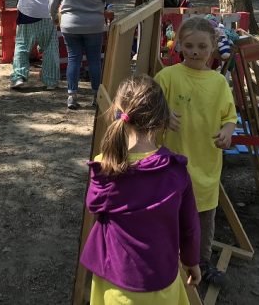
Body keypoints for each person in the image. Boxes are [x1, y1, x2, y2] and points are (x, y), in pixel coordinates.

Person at [80, 75, 201, 304]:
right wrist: (191, 261)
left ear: (119, 114)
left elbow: (93, 207)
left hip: (116, 282)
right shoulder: (176, 171)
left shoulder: (105, 165)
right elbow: (190, 226)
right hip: (162, 279)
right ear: (163, 120)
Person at [154, 17, 237, 287]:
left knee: (204, 218)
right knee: (171, 216)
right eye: (189, 46)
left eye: (202, 46)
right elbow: (149, 108)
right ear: (178, 45)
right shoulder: (167, 77)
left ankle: (202, 263)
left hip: (207, 164)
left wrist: (227, 132)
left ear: (213, 46)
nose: (195, 52)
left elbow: (229, 117)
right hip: (173, 165)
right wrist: (163, 115)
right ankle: (169, 261)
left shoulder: (218, 82)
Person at [49, 0, 116, 109]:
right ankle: (96, 96)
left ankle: (72, 96)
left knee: (73, 59)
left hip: (70, 26)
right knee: (94, 60)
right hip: (94, 26)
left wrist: (54, 18)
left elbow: (52, 2)